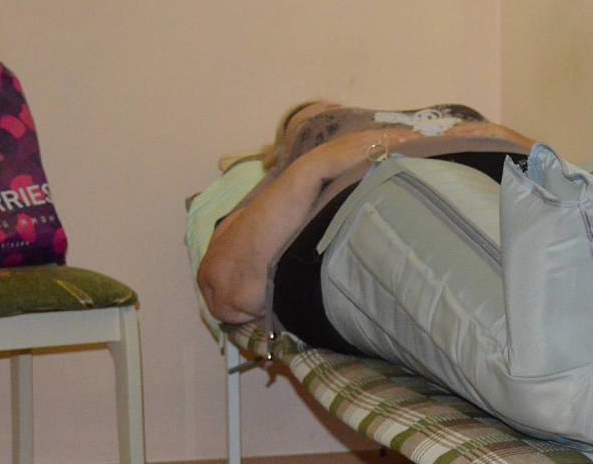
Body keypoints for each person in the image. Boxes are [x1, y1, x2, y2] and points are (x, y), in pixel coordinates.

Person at [197, 101, 534, 353]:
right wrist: (315, 164)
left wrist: (529, 146)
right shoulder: (292, 174)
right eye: (326, 121)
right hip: (396, 185)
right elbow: (227, 291)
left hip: (516, 176)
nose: (357, 114)